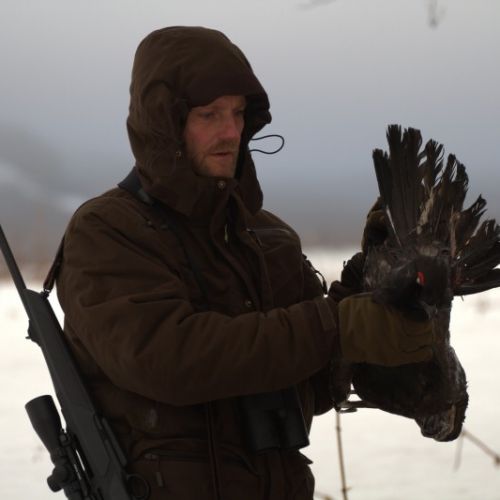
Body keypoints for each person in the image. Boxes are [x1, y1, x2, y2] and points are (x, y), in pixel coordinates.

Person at [54, 26, 434, 500]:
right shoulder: (107, 232)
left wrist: (375, 292)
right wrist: (338, 325)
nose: (231, 132)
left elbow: (310, 375)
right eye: (209, 114)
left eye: (237, 113)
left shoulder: (267, 236)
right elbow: (171, 359)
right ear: (163, 123)